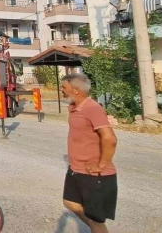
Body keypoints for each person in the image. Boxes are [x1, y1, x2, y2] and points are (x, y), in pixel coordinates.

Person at [60, 73, 118, 233]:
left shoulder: (92, 108)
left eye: (64, 87)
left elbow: (110, 139)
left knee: (96, 220)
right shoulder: (74, 108)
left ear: (76, 90)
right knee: (69, 201)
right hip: (76, 169)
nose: (61, 90)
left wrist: (102, 165)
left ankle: (97, 227)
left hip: (94, 174)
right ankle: (95, 226)